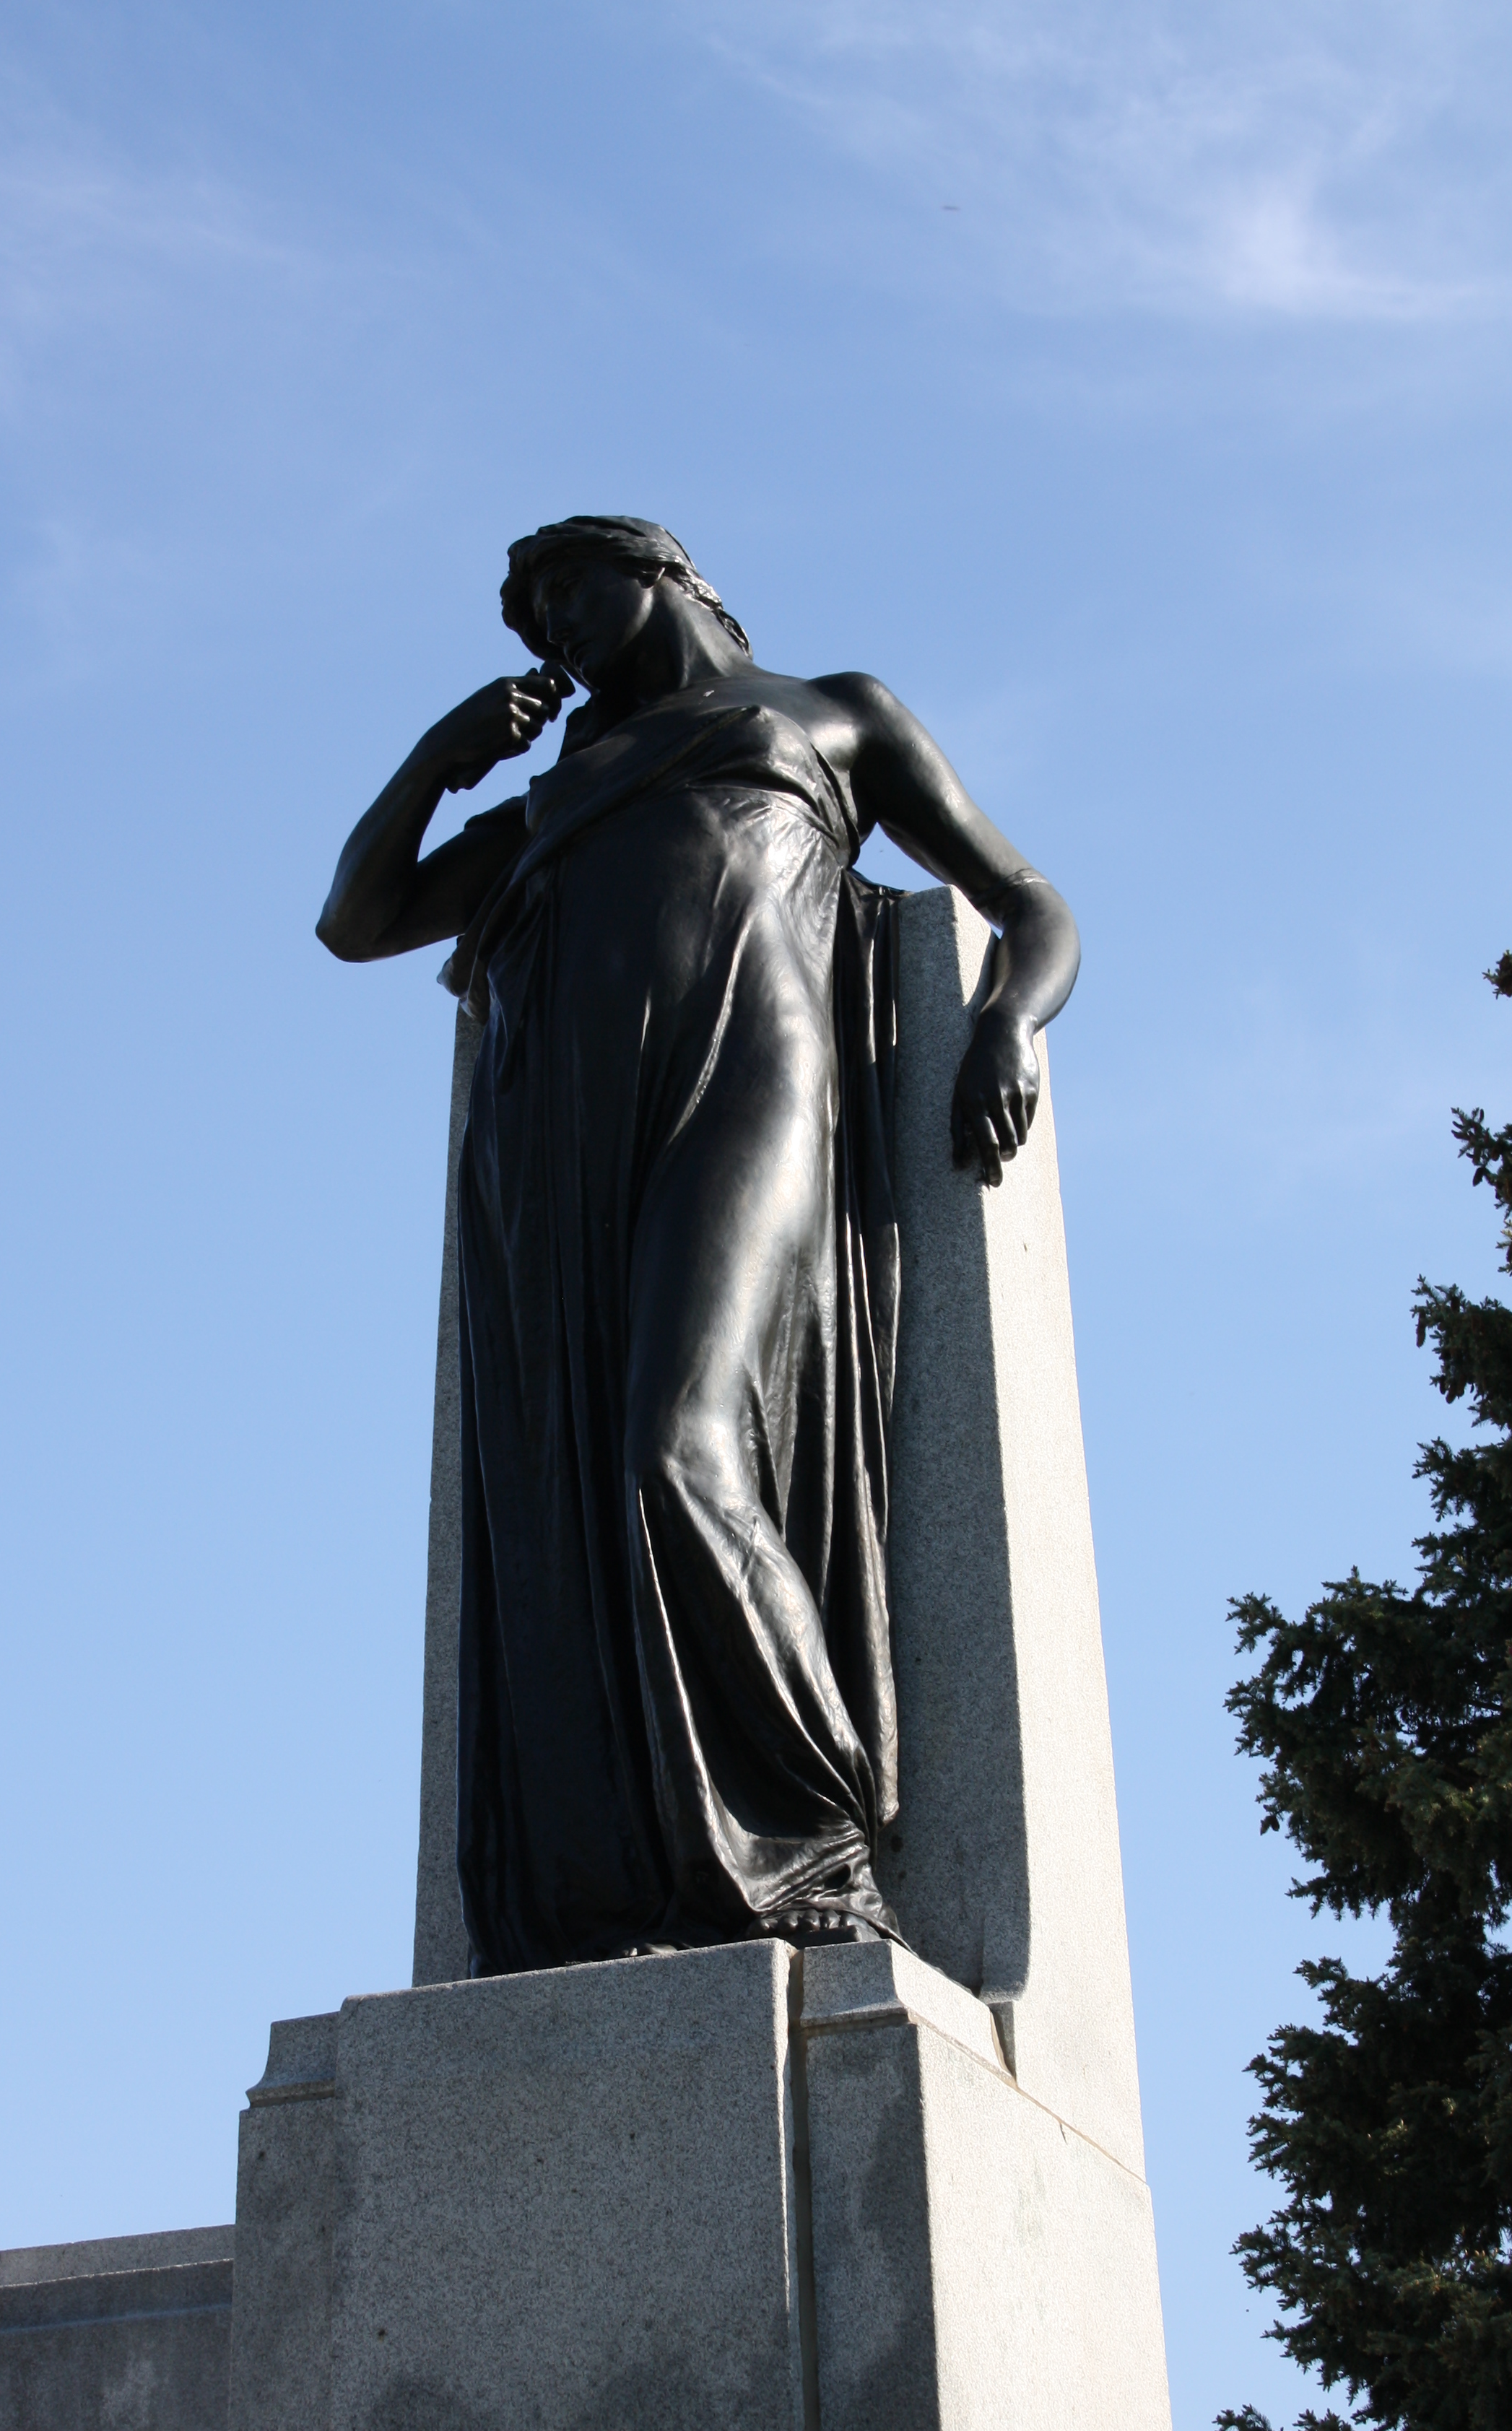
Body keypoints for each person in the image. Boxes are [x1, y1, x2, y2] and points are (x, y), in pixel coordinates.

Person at [318, 517, 1079, 1975]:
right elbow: (356, 921)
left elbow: (1031, 902)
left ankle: (818, 1843)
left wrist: (1008, 1021)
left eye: (571, 593)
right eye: (530, 619)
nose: (553, 631)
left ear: (676, 578)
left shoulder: (834, 712)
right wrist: (441, 755)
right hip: (553, 1144)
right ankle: (636, 1873)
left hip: (753, 1074)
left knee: (678, 1445)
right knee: (570, 1508)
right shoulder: (551, 804)